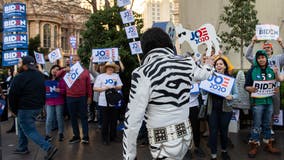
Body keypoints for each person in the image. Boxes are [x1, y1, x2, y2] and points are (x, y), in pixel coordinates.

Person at [122, 27, 214, 160]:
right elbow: (203, 75)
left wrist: (129, 155)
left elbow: (133, 120)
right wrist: (209, 64)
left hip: (161, 139)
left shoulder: (142, 72)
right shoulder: (187, 63)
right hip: (185, 134)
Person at [8, 56, 57, 160]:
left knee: (29, 130)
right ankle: (22, 147)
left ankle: (48, 148)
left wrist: (13, 109)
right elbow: (44, 91)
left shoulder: (19, 77)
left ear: (25, 66)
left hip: (25, 108)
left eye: (21, 64)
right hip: (37, 107)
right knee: (22, 126)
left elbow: (13, 95)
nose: (20, 65)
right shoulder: (40, 75)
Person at [244, 50, 281, 158]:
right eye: (259, 57)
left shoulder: (271, 70)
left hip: (269, 101)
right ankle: (254, 145)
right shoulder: (252, 71)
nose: (261, 59)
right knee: (256, 125)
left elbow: (275, 85)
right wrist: (249, 88)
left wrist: (276, 89)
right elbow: (246, 86)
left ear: (266, 58)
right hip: (257, 102)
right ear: (256, 59)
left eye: (263, 57)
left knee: (267, 124)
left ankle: (268, 144)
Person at [205, 57, 238, 160]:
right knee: (213, 132)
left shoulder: (230, 80)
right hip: (212, 109)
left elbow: (237, 94)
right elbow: (204, 92)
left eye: (220, 64)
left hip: (226, 110)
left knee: (224, 131)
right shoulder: (209, 77)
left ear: (225, 66)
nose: (218, 66)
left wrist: (231, 96)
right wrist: (202, 85)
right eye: (216, 64)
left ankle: (224, 151)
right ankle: (213, 155)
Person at [245, 36, 284, 124]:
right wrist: (252, 43)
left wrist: (281, 44)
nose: (267, 49)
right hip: (260, 89)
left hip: (273, 89)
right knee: (259, 111)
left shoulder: (277, 58)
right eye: (265, 48)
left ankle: (269, 129)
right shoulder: (258, 59)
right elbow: (247, 55)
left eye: (268, 48)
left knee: (272, 111)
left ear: (272, 49)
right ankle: (259, 130)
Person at [56, 55, 92, 144]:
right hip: (70, 97)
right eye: (74, 60)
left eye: (77, 60)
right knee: (73, 117)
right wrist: (64, 69)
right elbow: (56, 74)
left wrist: (90, 97)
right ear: (71, 61)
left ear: (80, 61)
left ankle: (86, 137)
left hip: (82, 97)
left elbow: (88, 86)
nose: (76, 61)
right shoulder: (68, 70)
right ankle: (76, 136)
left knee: (84, 117)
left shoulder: (85, 71)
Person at [93, 62, 123, 145]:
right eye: (109, 67)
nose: (110, 69)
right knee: (105, 121)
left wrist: (114, 87)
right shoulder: (100, 76)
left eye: (112, 67)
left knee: (113, 121)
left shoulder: (116, 76)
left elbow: (120, 86)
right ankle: (104, 138)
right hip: (103, 102)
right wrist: (104, 89)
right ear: (105, 68)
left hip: (113, 102)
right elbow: (95, 88)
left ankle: (113, 136)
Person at [45, 65, 66, 142]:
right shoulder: (46, 79)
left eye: (57, 70)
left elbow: (65, 90)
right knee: (49, 118)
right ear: (51, 69)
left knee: (59, 118)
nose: (55, 70)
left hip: (59, 101)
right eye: (53, 68)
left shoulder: (61, 80)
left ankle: (61, 134)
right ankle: (47, 135)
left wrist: (60, 90)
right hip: (49, 102)